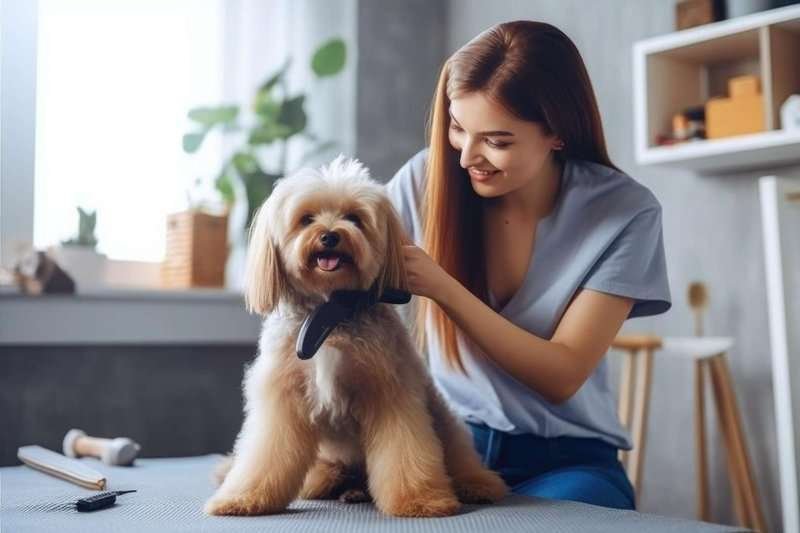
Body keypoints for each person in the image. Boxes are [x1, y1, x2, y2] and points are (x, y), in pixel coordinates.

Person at [385, 20, 671, 511]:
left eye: (497, 140)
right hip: (446, 448)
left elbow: (561, 375)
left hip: (568, 461)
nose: (467, 157)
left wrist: (443, 288)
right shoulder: (423, 181)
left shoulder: (624, 213)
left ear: (556, 132)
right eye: (458, 128)